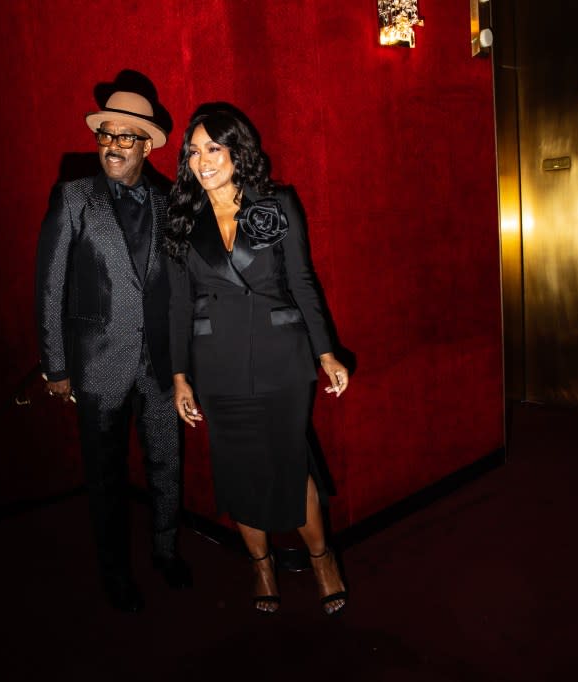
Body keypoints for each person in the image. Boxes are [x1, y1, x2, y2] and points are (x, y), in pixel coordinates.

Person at [166, 107, 350, 615]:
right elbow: (178, 304)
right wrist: (179, 377)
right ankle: (261, 566)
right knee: (236, 470)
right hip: (217, 365)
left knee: (290, 465)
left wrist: (326, 351)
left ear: (236, 151)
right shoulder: (182, 219)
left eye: (213, 149)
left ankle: (320, 558)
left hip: (281, 360)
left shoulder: (276, 204)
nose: (201, 161)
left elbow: (303, 282)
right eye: (193, 151)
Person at [35, 89, 191, 613]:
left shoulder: (170, 203)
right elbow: (50, 285)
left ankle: (166, 552)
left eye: (126, 136)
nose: (113, 145)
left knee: (167, 465)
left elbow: (180, 289)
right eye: (106, 135)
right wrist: (55, 365)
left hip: (162, 367)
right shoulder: (74, 197)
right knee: (106, 478)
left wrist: (186, 363)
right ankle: (116, 572)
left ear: (147, 145)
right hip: (99, 364)